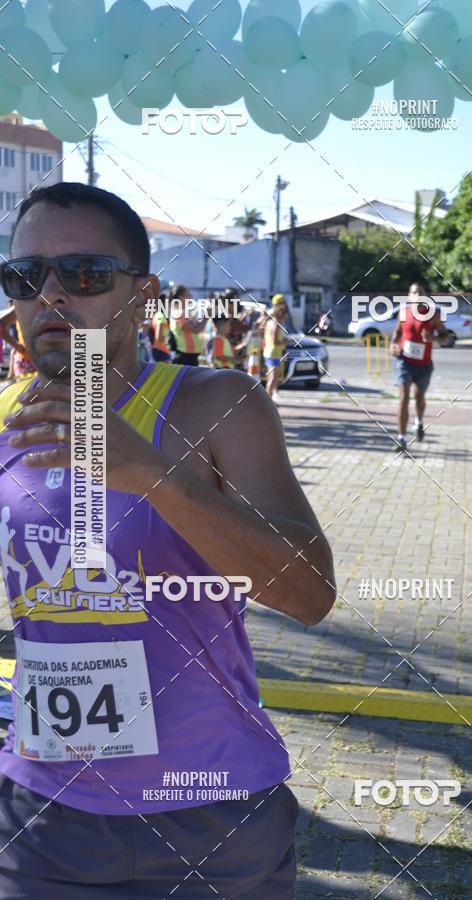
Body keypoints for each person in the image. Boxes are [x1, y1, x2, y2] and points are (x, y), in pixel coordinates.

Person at [0, 182, 335, 897]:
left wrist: (154, 475)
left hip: (209, 813)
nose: (51, 297)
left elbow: (310, 593)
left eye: (85, 274)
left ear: (143, 294)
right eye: (26, 277)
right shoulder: (7, 420)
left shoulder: (216, 405)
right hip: (40, 813)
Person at [390, 282, 448, 452]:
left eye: (420, 292)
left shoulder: (434, 315)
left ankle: (419, 422)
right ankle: (401, 439)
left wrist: (433, 338)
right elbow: (398, 332)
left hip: (424, 365)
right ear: (409, 296)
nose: (417, 295)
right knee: (403, 399)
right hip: (404, 362)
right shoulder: (403, 313)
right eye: (414, 292)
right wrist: (393, 345)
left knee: (419, 398)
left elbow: (445, 337)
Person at [168, 284, 206, 366]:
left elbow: (195, 325)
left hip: (187, 355)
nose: (191, 297)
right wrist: (206, 317)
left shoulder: (180, 312)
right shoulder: (179, 313)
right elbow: (196, 329)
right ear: (181, 297)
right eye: (188, 295)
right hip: (186, 355)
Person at [263, 294, 288, 401]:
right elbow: (275, 341)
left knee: (273, 378)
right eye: (284, 315)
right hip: (273, 353)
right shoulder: (276, 324)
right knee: (273, 378)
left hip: (271, 352)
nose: (286, 317)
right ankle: (267, 401)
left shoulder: (271, 321)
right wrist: (285, 342)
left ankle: (269, 400)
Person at [149, 292, 172, 363]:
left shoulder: (157, 315)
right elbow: (159, 338)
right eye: (168, 302)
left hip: (160, 350)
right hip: (161, 351)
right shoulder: (161, 316)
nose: (170, 305)